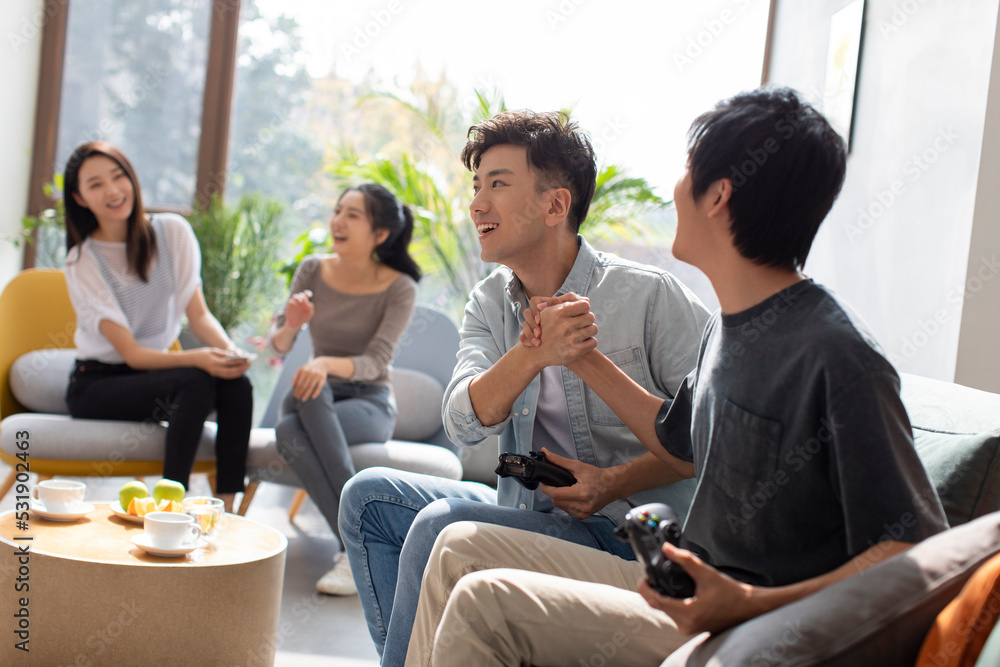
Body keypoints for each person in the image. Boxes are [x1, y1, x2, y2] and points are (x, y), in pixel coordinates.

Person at [404, 87, 951, 666]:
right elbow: (675, 439)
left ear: (719, 195)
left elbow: (915, 550)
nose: (674, 188)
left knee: (483, 601)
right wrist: (574, 354)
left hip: (755, 626)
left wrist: (751, 603)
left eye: (688, 171)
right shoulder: (730, 331)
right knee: (456, 546)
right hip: (688, 582)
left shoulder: (835, 353)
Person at [337, 110, 711, 665]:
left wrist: (612, 482)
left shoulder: (652, 297)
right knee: (367, 498)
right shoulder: (490, 302)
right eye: (476, 186)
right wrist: (533, 352)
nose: (477, 204)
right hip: (526, 510)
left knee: (442, 525)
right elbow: (462, 421)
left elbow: (709, 444)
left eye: (498, 184)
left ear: (555, 206)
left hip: (623, 534)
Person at [63, 141, 252, 512]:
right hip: (97, 384)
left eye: (118, 176)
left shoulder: (172, 232)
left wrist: (230, 353)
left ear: (132, 178)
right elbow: (132, 355)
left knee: (236, 383)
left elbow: (199, 316)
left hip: (154, 378)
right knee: (195, 379)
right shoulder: (82, 260)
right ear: (80, 198)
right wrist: (199, 358)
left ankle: (227, 510)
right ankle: (170, 510)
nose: (113, 190)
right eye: (96, 184)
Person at [268, 183, 420, 595]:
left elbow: (376, 362)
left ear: (380, 234)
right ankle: (361, 544)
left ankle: (354, 548)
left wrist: (323, 363)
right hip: (314, 394)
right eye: (338, 210)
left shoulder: (400, 287)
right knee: (307, 400)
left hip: (369, 403)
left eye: (353, 215)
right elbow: (278, 346)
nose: (338, 221)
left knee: (288, 429)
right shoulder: (312, 269)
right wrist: (292, 324)